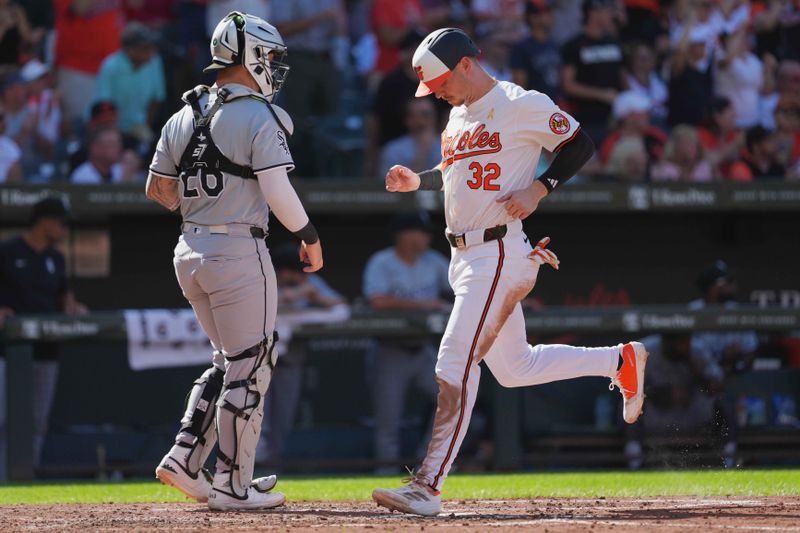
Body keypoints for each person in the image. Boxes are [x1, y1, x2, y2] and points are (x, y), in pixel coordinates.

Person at [372, 27, 648, 516]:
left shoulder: (522, 102)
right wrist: (420, 179)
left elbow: (580, 143)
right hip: (464, 256)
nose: (435, 92)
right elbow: (456, 172)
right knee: (515, 368)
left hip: (497, 252)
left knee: (453, 364)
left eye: (438, 82)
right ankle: (618, 361)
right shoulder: (456, 116)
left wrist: (541, 188)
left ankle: (427, 486)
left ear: (464, 65)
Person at [147, 11, 323, 511]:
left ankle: (185, 457)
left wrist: (205, 206)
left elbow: (158, 190)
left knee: (228, 361)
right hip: (239, 250)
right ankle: (231, 483)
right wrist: (308, 235)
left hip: (189, 250)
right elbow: (277, 188)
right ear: (247, 57)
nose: (271, 65)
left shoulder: (182, 113)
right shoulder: (259, 114)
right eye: (266, 56)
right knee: (252, 364)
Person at [0, 198, 88, 479]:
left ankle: (24, 477)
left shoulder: (56, 258)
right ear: (45, 221)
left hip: (47, 351)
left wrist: (74, 308)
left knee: (37, 421)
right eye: (61, 223)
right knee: (3, 418)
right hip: (8, 351)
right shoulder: (8, 251)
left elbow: (65, 297)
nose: (64, 229)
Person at [363, 213, 450, 473]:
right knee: (388, 422)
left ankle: (427, 463)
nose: (426, 237)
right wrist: (427, 305)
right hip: (390, 349)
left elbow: (463, 288)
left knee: (451, 399)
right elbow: (376, 301)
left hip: (422, 349)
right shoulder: (382, 262)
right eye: (420, 231)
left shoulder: (434, 261)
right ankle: (385, 473)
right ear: (403, 235)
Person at [257, 244, 346, 468]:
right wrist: (293, 295)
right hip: (258, 361)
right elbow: (259, 306)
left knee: (282, 420)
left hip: (289, 362)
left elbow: (341, 308)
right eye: (292, 272)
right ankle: (250, 468)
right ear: (281, 271)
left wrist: (315, 300)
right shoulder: (262, 277)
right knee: (256, 418)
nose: (297, 277)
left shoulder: (308, 282)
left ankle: (271, 467)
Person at [271, 0, 349, 177]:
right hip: (297, 59)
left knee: (330, 122)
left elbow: (341, 26)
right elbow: (280, 30)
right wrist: (319, 18)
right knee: (295, 123)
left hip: (327, 59)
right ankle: (291, 179)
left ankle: (328, 177)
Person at [560, 0, 625, 145]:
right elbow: (568, 85)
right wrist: (601, 94)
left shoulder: (614, 42)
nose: (611, 15)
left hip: (616, 120)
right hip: (587, 120)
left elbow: (623, 78)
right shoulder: (574, 45)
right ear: (593, 13)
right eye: (607, 11)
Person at [94, 22, 166, 143]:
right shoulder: (111, 66)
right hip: (109, 125)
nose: (150, 51)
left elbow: (156, 99)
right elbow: (105, 104)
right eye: (145, 47)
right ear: (129, 50)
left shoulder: (155, 62)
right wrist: (115, 135)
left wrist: (146, 125)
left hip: (138, 125)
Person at [510, 0, 561, 99]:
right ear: (533, 18)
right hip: (535, 107)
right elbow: (520, 87)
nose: (551, 16)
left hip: (554, 105)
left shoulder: (554, 44)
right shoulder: (522, 48)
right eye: (546, 13)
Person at [379, 97, 441, 177]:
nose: (420, 121)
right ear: (407, 120)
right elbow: (390, 186)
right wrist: (422, 151)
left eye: (426, 115)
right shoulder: (393, 150)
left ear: (435, 117)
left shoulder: (451, 146)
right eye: (414, 116)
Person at [69, 127, 143, 184]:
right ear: (95, 148)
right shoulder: (82, 176)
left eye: (118, 144)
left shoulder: (121, 171)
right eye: (111, 144)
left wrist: (128, 175)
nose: (118, 148)